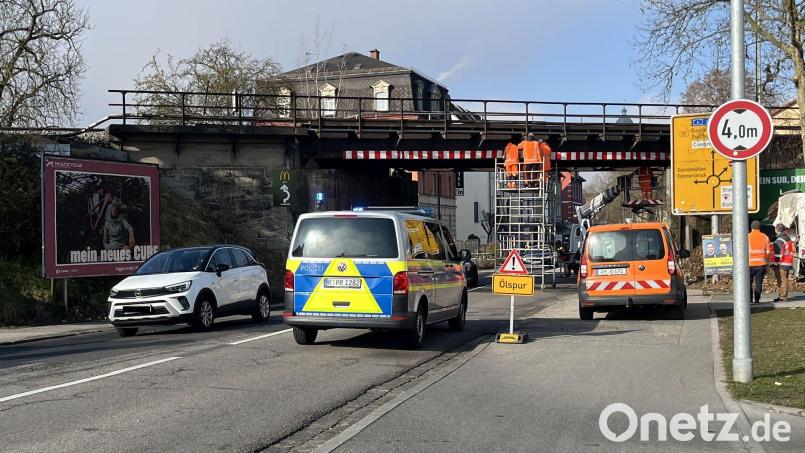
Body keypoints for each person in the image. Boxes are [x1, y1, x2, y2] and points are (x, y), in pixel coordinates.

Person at [748, 220, 772, 304]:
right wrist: (765, 259)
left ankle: (749, 299)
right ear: (759, 227)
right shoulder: (765, 237)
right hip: (761, 264)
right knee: (759, 283)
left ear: (751, 227)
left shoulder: (747, 237)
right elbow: (768, 252)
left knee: (748, 283)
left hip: (749, 264)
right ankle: (757, 300)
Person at [771, 224, 794, 302]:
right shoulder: (788, 238)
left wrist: (775, 263)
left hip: (781, 263)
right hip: (788, 261)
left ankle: (783, 296)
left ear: (777, 230)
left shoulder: (779, 240)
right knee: (784, 279)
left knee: (781, 280)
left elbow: (778, 254)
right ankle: (782, 295)